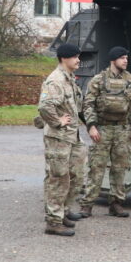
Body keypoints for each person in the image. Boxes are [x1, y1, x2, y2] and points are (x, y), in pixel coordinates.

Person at [80, 46, 131, 218]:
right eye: (122, 58)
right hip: (102, 129)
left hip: (123, 130)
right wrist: (91, 126)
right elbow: (88, 104)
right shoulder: (98, 80)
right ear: (113, 60)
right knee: (96, 167)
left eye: (127, 58)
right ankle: (87, 204)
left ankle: (116, 203)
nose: (125, 61)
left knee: (120, 168)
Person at [37, 43, 87, 236]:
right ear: (64, 58)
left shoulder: (69, 79)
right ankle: (53, 221)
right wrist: (57, 121)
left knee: (76, 174)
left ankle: (64, 211)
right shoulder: (56, 80)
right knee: (58, 177)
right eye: (75, 56)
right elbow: (45, 106)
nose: (78, 60)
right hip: (58, 137)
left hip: (72, 136)